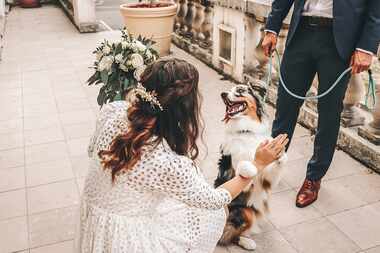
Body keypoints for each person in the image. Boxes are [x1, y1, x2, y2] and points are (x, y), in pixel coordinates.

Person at [75, 58, 288, 253]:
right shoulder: (168, 162)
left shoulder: (112, 110)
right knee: (208, 215)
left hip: (94, 220)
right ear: (184, 108)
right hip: (129, 239)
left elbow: (90, 150)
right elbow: (215, 200)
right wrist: (258, 163)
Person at [262, 0, 380, 208]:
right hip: (301, 32)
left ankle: (313, 178)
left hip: (339, 41)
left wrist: (366, 47)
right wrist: (272, 27)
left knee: (329, 114)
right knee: (285, 106)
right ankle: (271, 164)